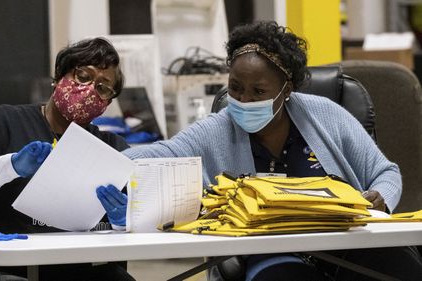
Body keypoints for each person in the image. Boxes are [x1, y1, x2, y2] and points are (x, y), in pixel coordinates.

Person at [117, 21, 422, 280]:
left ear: (286, 90)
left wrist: (381, 198)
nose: (244, 100)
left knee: (403, 269)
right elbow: (163, 152)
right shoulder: (216, 129)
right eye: (235, 87)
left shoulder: (326, 114)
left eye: (258, 92)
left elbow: (385, 172)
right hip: (269, 251)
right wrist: (109, 163)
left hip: (345, 244)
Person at [0, 37, 135, 281]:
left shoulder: (112, 149)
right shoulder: (1, 123)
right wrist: (11, 166)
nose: (90, 89)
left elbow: (152, 221)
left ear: (107, 103)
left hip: (74, 269)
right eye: (83, 76)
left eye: (103, 87)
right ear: (58, 77)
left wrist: (128, 221)